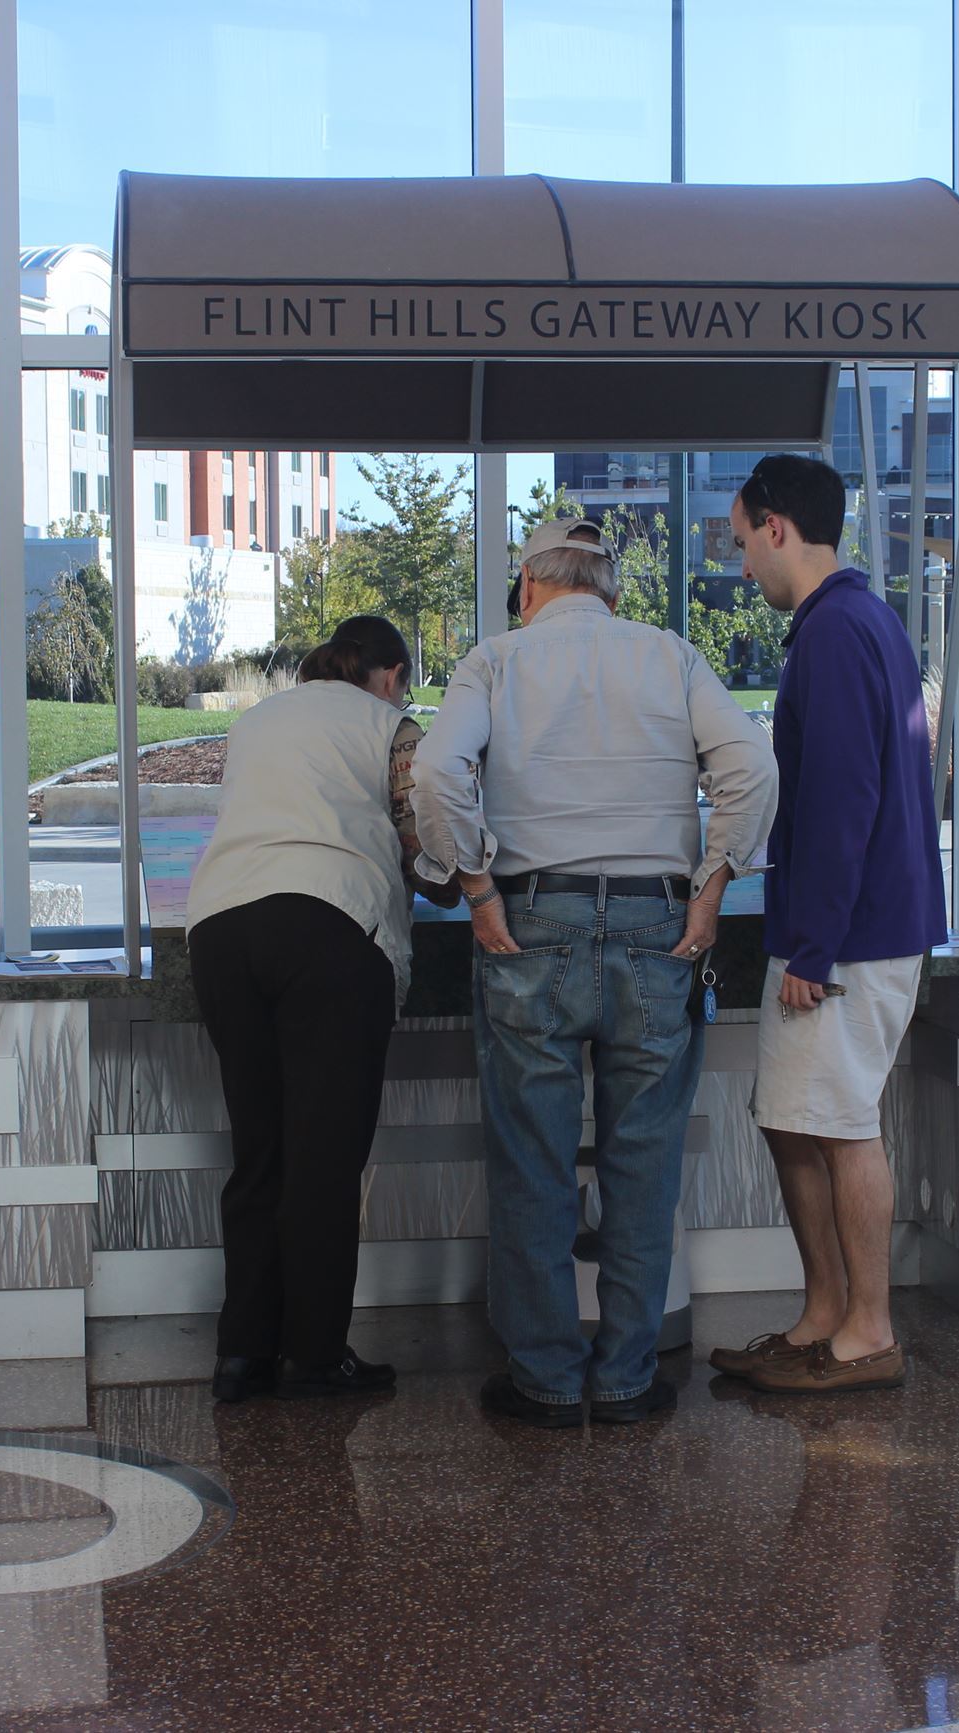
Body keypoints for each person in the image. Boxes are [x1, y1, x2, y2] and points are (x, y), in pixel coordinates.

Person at [413, 518, 777, 1428]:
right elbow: (751, 766)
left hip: (530, 922)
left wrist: (476, 887)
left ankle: (542, 1377)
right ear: (609, 591)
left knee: (532, 1162)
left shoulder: (494, 661)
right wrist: (713, 888)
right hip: (660, 926)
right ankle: (623, 1378)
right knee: (643, 1162)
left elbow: (434, 772)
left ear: (529, 587)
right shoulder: (671, 656)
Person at [709, 454, 945, 1395]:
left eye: (739, 543)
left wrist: (813, 943)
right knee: (790, 1118)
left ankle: (868, 1332)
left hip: (850, 936)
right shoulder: (855, 622)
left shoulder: (837, 632)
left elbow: (845, 797)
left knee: (840, 1125)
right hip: (857, 925)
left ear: (777, 527)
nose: (740, 568)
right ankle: (824, 1314)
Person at [185, 614, 454, 1403]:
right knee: (323, 1156)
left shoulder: (257, 720)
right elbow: (424, 835)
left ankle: (242, 1353)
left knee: (260, 1151)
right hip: (329, 928)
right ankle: (313, 1352)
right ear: (393, 673)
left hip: (221, 929)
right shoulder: (391, 725)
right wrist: (453, 877)